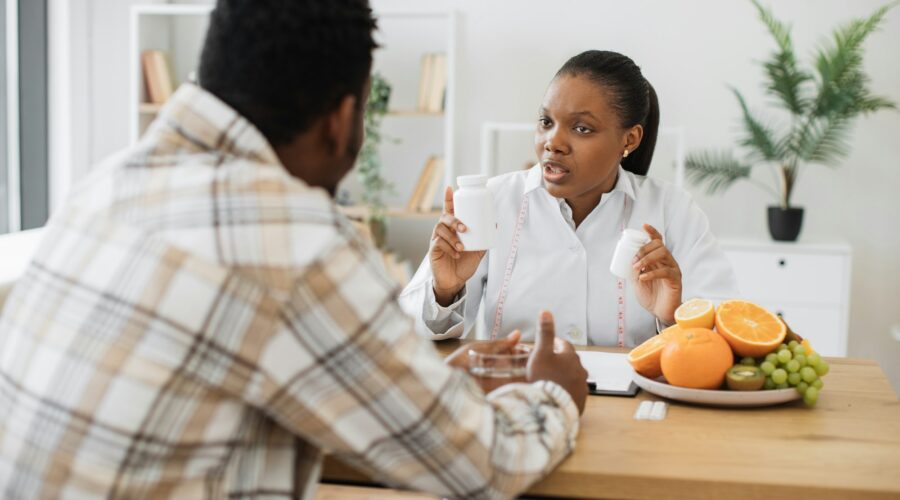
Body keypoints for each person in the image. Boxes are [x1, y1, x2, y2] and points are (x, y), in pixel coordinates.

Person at [0, 1, 588, 498]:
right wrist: (554, 394)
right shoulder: (293, 244)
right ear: (340, 119)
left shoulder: (106, 185)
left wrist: (426, 386)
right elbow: (484, 465)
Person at [400, 50, 738, 346]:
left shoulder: (672, 210)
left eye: (581, 128)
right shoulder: (491, 202)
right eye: (546, 121)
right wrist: (444, 290)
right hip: (517, 398)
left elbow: (724, 332)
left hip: (633, 410)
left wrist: (670, 319)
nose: (553, 142)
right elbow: (406, 333)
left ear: (630, 139)